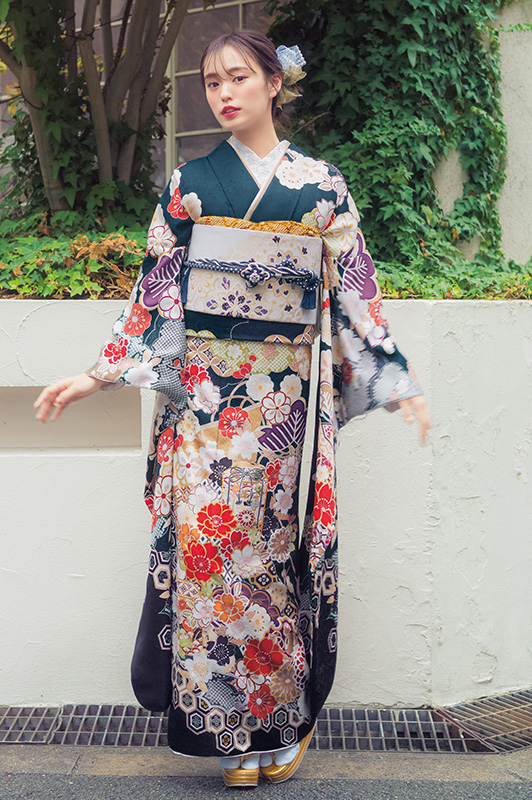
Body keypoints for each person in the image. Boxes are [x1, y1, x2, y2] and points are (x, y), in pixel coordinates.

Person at [34, 29, 431, 787]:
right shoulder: (189, 184)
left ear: (274, 83)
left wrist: (393, 378)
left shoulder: (321, 187)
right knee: (208, 555)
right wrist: (98, 375)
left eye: (238, 77)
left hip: (281, 401)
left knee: (267, 557)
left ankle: (275, 724)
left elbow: (356, 288)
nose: (223, 93)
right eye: (212, 81)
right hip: (206, 400)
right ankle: (227, 732)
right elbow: (154, 295)